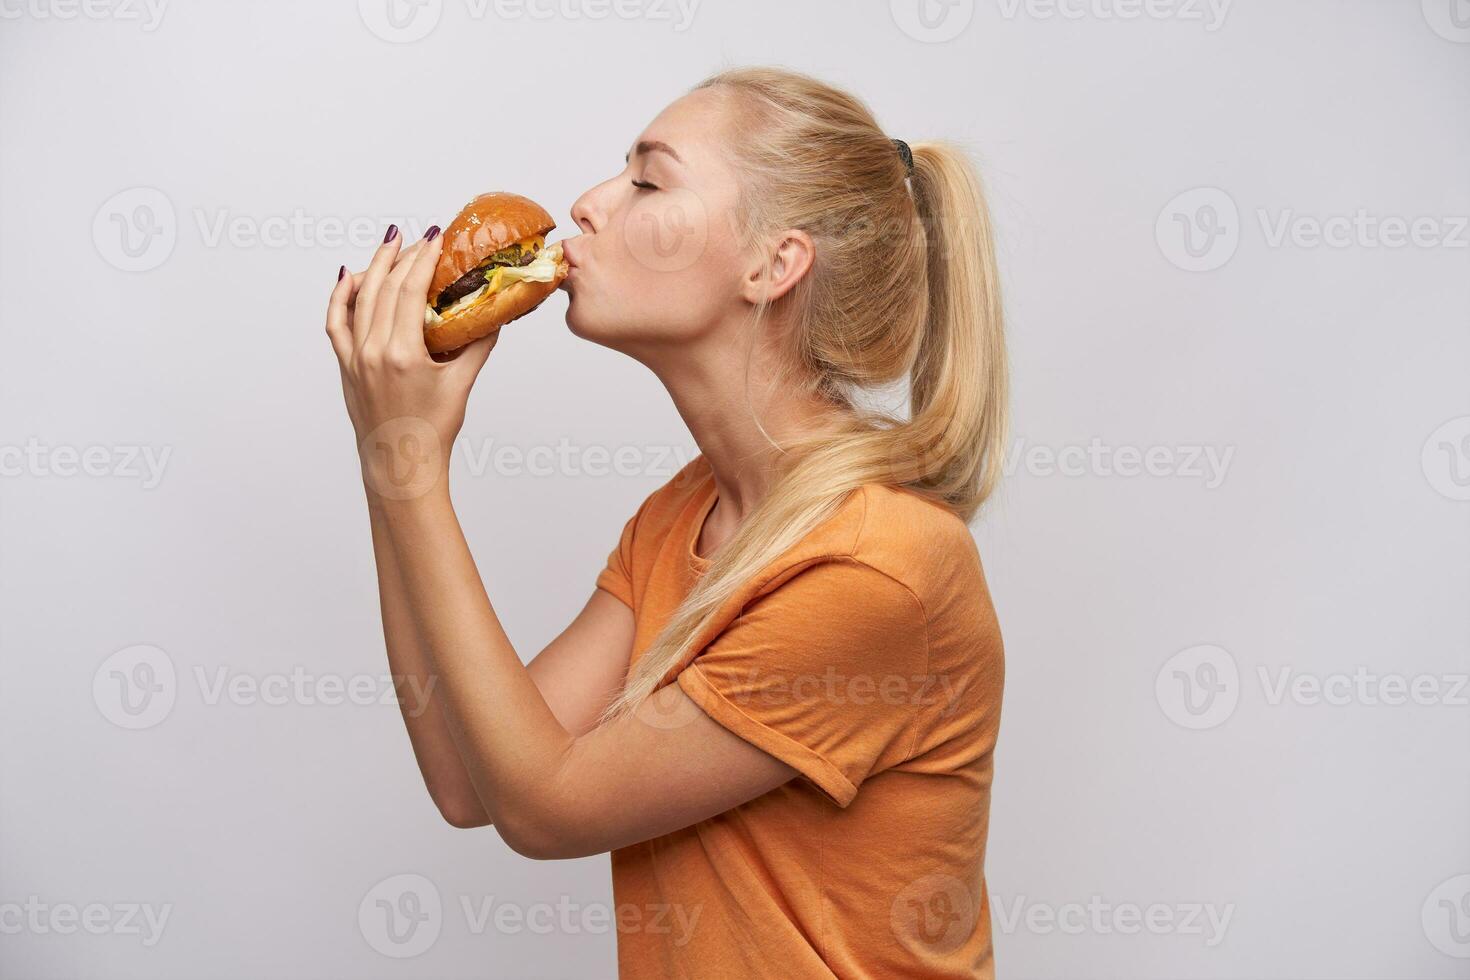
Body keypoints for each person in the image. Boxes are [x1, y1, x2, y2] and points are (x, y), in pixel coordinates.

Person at [324, 65, 1009, 978]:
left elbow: (544, 808)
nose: (587, 204)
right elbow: (464, 776)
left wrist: (412, 476)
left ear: (775, 264)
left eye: (648, 180)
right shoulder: (687, 515)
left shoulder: (878, 568)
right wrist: (389, 456)